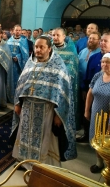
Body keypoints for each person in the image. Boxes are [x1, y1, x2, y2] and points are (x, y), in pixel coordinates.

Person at [11, 36, 77, 170]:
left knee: (44, 140)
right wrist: (18, 104)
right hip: (28, 107)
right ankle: (24, 161)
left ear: (49, 49)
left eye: (42, 47)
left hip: (47, 110)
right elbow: (21, 85)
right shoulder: (30, 63)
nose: (38, 50)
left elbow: (63, 92)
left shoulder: (58, 66)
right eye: (36, 47)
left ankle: (43, 167)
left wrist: (59, 115)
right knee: (25, 135)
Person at [84, 53, 110, 173]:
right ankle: (99, 162)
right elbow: (90, 93)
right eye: (103, 62)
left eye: (108, 62)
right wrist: (87, 110)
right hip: (96, 112)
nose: (104, 64)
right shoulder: (98, 75)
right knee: (97, 137)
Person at [52, 28, 79, 130]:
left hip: (63, 84)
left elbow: (71, 69)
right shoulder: (48, 48)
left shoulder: (71, 51)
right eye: (53, 35)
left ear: (64, 36)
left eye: (58, 35)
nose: (55, 37)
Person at [76, 31, 101, 142]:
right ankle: (86, 133)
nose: (90, 40)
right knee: (84, 109)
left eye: (93, 39)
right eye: (89, 38)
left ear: (99, 41)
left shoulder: (100, 53)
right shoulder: (82, 51)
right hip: (83, 84)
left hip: (96, 86)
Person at [0, 28, 14, 108]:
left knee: (0, 85)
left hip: (0, 68)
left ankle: (0, 102)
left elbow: (7, 57)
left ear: (1, 34)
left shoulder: (4, 45)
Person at [7, 24, 29, 90]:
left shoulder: (23, 41)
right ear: (13, 31)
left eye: (19, 30)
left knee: (18, 80)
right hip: (10, 63)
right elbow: (7, 51)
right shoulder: (9, 40)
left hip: (19, 65)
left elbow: (26, 54)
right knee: (10, 79)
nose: (18, 32)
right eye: (16, 30)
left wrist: (18, 57)